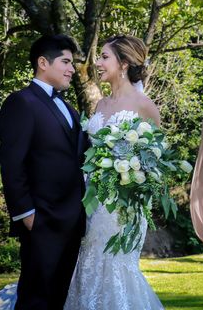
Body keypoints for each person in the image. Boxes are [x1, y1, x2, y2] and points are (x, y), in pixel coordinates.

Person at [63, 34, 164, 310]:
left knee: (115, 265)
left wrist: (133, 180)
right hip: (91, 200)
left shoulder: (145, 106)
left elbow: (156, 159)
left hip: (124, 205)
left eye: (104, 57)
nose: (97, 62)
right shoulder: (101, 105)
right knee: (87, 262)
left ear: (124, 63)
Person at [0, 34, 86, 310]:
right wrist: (26, 214)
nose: (72, 69)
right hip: (42, 219)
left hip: (72, 219)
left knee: (58, 297)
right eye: (66, 62)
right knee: (36, 298)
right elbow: (11, 163)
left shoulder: (70, 108)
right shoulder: (21, 102)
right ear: (43, 62)